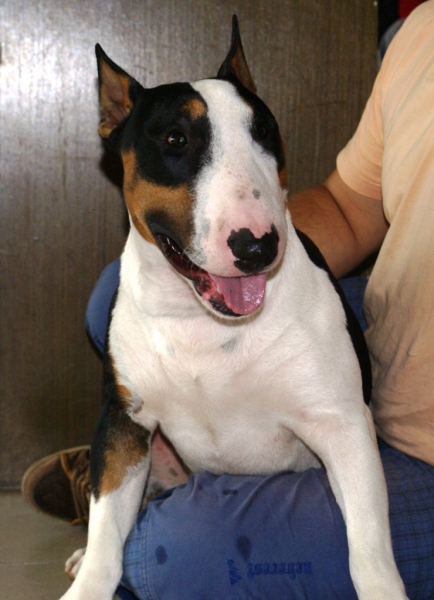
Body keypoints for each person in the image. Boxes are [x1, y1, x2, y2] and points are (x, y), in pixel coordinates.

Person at [22, 3, 434, 598]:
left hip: (415, 444)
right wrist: (249, 247)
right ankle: (150, 479)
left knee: (171, 560)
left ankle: (158, 496)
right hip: (392, 335)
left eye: (257, 135)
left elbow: (342, 425)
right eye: (176, 141)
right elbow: (349, 208)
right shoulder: (420, 35)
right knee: (112, 301)